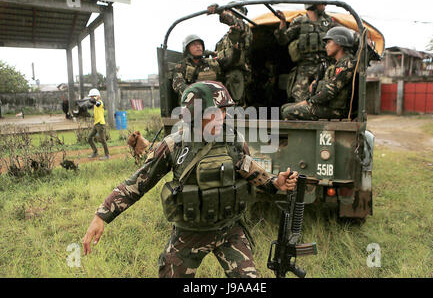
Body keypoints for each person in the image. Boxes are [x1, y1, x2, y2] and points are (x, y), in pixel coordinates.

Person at [83, 81, 299, 278]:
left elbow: (249, 170)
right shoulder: (174, 146)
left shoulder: (234, 141)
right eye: (214, 113)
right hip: (190, 234)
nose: (221, 118)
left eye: (224, 112)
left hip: (229, 230)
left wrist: (275, 183)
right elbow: (138, 183)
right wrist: (101, 215)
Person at [274, 0, 337, 103]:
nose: (325, 5)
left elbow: (340, 38)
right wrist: (283, 23)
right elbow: (283, 40)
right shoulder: (299, 22)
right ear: (313, 3)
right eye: (322, 2)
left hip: (324, 67)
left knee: (327, 95)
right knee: (298, 96)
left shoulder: (329, 22)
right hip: (304, 68)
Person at [281, 26, 356, 120]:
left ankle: (304, 135)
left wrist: (309, 102)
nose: (326, 46)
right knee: (284, 107)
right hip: (329, 106)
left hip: (336, 111)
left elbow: (329, 91)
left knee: (288, 112)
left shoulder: (347, 63)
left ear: (339, 42)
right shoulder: (339, 63)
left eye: (329, 42)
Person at [207, 2, 253, 106]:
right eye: (226, 10)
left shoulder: (244, 28)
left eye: (228, 10)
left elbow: (235, 22)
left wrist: (221, 12)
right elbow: (221, 54)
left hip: (235, 75)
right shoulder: (226, 37)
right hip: (222, 74)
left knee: (235, 110)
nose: (226, 12)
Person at [87, 88, 109, 160]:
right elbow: (91, 104)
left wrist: (95, 99)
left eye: (91, 96)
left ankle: (107, 155)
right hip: (96, 124)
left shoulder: (99, 102)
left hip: (100, 124)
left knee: (102, 139)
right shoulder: (95, 104)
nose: (90, 98)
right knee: (89, 138)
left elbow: (96, 103)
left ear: (96, 96)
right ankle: (95, 152)